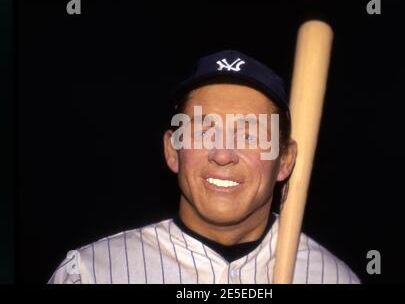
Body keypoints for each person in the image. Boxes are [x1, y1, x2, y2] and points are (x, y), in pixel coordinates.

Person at [48, 49, 360, 284]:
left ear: (285, 161)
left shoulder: (333, 278)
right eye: (203, 131)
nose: (223, 154)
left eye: (249, 134)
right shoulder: (91, 273)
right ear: (173, 151)